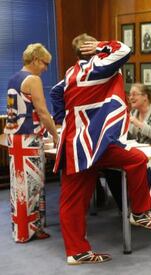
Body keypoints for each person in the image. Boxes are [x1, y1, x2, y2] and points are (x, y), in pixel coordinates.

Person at [50, 33, 151, 265]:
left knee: (72, 200)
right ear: (89, 49)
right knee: (136, 159)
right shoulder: (98, 66)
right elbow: (124, 49)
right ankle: (140, 212)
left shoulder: (71, 73)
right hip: (95, 143)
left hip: (75, 144)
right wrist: (102, 45)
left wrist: (64, 116)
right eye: (94, 45)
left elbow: (55, 92)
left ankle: (77, 251)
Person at [4, 43, 59, 243]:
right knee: (33, 186)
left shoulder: (13, 78)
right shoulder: (33, 80)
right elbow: (43, 112)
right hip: (29, 140)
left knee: (19, 185)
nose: (46, 68)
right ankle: (30, 231)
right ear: (35, 60)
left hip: (15, 138)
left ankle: (23, 230)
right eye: (45, 63)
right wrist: (55, 135)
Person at [102, 83, 151, 210]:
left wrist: (138, 123)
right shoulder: (133, 112)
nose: (130, 98)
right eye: (129, 95)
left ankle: (138, 208)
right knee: (111, 170)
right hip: (139, 155)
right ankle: (126, 208)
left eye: (134, 94)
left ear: (145, 97)